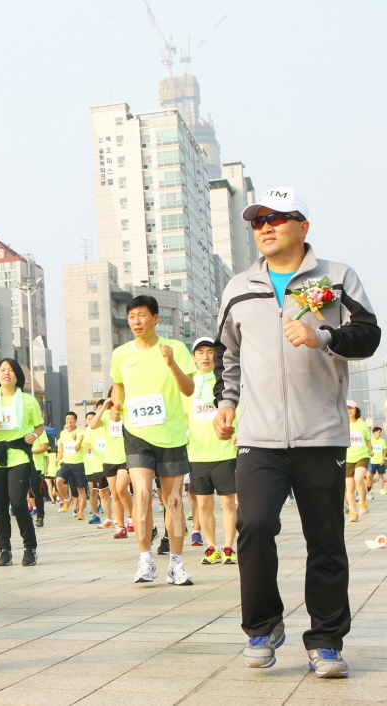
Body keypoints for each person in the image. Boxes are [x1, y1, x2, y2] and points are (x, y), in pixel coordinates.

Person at [215, 187, 380, 678]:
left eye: (278, 218)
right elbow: (229, 354)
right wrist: (227, 404)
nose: (265, 227)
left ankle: (326, 641)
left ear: (303, 226)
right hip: (259, 435)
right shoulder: (238, 286)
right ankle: (262, 627)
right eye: (257, 220)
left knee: (325, 539)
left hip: (322, 432)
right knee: (255, 526)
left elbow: (369, 334)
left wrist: (322, 337)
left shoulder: (336, 276)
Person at [111, 294, 196, 586]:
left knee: (173, 501)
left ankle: (176, 563)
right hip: (136, 432)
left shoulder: (176, 349)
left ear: (156, 318)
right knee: (143, 494)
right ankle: (145, 560)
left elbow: (188, 389)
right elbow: (118, 387)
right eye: (132, 316)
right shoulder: (121, 353)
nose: (136, 321)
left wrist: (172, 364)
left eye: (142, 315)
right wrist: (115, 405)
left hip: (170, 434)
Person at [0, 359, 44, 567]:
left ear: (17, 375)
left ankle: (30, 548)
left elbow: (40, 425)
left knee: (18, 503)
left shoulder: (28, 400)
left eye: (10, 370)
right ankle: (4, 550)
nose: (6, 373)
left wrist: (34, 435)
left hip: (20, 456)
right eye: (2, 370)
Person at [185, 338, 238, 566]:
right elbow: (183, 417)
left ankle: (228, 547)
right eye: (200, 352)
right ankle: (211, 547)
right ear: (193, 357)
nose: (205, 357)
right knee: (203, 504)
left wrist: (239, 432)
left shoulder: (226, 382)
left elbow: (239, 408)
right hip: (197, 454)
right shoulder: (186, 386)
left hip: (225, 451)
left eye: (210, 352)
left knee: (227, 503)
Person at [91, 393, 132, 538]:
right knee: (114, 494)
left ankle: (132, 518)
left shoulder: (128, 410)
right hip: (109, 458)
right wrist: (103, 408)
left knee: (121, 489)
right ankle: (120, 527)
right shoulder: (107, 414)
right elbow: (93, 425)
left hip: (126, 457)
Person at [54, 413, 86, 517]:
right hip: (66, 463)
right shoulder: (63, 433)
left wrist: (77, 440)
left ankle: (80, 511)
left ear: (75, 420)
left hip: (78, 463)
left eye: (71, 419)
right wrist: (58, 457)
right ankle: (66, 500)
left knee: (80, 489)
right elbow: (61, 447)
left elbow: (77, 448)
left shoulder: (81, 432)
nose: (69, 421)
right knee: (58, 480)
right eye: (67, 419)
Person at [82, 411, 111, 525]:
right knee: (98, 492)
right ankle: (101, 516)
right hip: (95, 466)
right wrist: (87, 446)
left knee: (116, 492)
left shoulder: (105, 427)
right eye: (88, 419)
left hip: (110, 462)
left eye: (92, 418)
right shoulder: (88, 430)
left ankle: (122, 517)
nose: (90, 420)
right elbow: (86, 443)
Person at [344, 401, 372, 521]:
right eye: (346, 409)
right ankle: (353, 513)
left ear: (356, 410)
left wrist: (370, 450)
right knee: (349, 487)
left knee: (359, 478)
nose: (349, 411)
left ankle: (362, 502)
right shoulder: (342, 425)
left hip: (362, 456)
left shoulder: (362, 425)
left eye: (351, 408)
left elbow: (368, 439)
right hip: (347, 458)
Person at [371, 427, 385, 494]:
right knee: (371, 476)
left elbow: (384, 450)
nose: (380, 434)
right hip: (372, 461)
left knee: (381, 475)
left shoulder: (382, 441)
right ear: (374, 432)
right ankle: (371, 489)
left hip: (380, 461)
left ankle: (382, 489)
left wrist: (383, 459)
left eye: (380, 432)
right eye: (378, 432)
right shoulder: (370, 440)